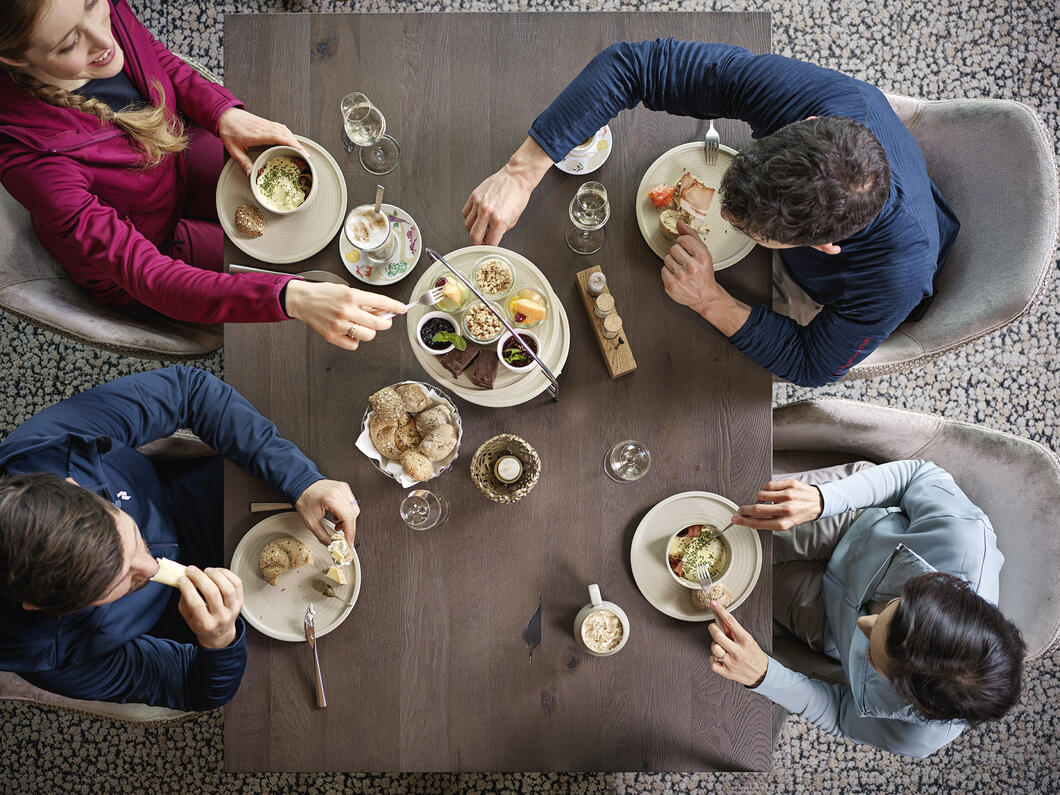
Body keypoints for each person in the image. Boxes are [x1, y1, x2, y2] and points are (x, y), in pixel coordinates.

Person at [462, 40, 960, 385]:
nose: (721, 211)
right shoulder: (825, 100)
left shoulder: (894, 276)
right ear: (806, 123)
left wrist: (710, 301)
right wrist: (520, 171)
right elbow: (633, 66)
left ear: (824, 248)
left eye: (745, 228)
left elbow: (813, 364)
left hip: (843, 298)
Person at [0, 0, 404, 350]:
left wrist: (221, 112)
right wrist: (290, 298)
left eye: (92, 4)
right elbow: (151, 276)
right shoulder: (30, 159)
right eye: (69, 44)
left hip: (172, 157)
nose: (104, 41)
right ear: (14, 58)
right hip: (149, 251)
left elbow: (153, 57)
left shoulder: (95, 23)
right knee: (290, 274)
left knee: (306, 206)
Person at [0, 366, 361, 710]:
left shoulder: (50, 448)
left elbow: (190, 391)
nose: (152, 566)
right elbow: (193, 688)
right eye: (124, 581)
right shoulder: (53, 655)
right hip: (185, 618)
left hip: (189, 498)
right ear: (46, 608)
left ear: (74, 486)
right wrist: (218, 640)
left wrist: (300, 479)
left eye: (132, 539)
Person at [702, 460, 1024, 757]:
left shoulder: (913, 738)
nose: (863, 623)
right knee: (722, 518)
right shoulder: (964, 538)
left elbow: (841, 713)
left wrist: (764, 675)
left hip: (825, 618)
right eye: (893, 607)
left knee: (733, 586)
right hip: (853, 519)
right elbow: (915, 476)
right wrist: (824, 499)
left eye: (871, 652)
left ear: (916, 704)